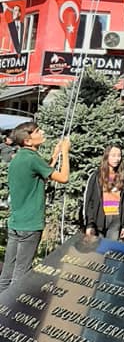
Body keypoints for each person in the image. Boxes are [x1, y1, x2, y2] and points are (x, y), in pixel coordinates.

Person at [0, 122, 70, 292]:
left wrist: (55, 156)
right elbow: (63, 178)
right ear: (28, 141)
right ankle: (13, 307)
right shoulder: (33, 159)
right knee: (21, 274)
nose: (42, 132)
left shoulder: (19, 158)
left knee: (7, 273)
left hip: (16, 223)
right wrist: (65, 152)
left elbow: (41, 176)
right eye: (37, 131)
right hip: (30, 225)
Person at [83, 144, 124, 241]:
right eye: (113, 155)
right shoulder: (96, 177)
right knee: (98, 249)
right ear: (107, 156)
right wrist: (90, 224)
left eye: (119, 155)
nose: (116, 159)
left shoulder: (122, 178)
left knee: (110, 248)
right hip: (99, 220)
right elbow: (89, 201)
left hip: (116, 220)